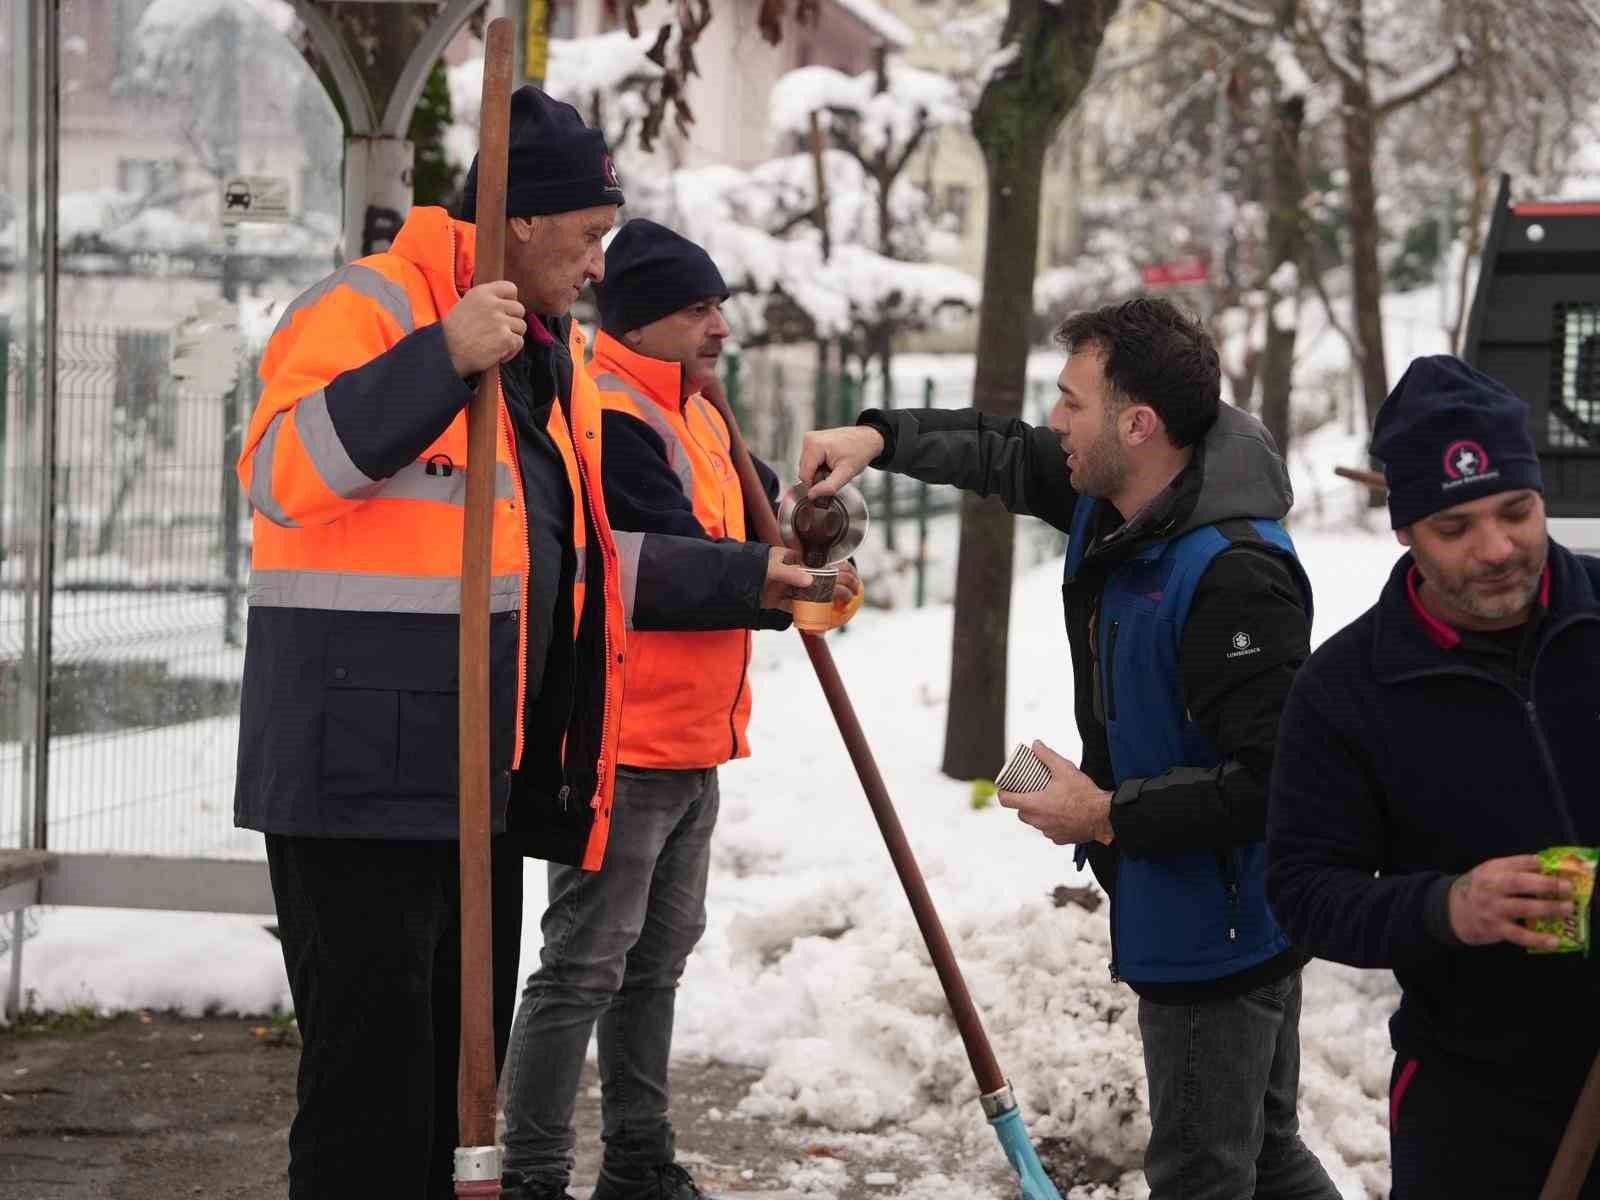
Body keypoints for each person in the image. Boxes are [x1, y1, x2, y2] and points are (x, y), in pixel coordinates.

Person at [234, 88, 808, 1200]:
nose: (601, 263)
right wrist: (437, 357)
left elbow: (585, 556)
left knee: (460, 1092)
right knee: (372, 1094)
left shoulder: (550, 357)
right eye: (589, 237)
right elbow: (279, 473)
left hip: (472, 777)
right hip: (353, 777)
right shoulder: (370, 307)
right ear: (523, 220)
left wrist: (753, 568)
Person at [797, 298, 1337, 1200]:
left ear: (1139, 423)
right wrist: (876, 439)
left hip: (1221, 930)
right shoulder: (1123, 497)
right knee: (1267, 1156)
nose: (1056, 423)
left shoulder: (1235, 574)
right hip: (1193, 907)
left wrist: (1105, 813)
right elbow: (1001, 451)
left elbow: (1279, 783)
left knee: (1202, 1173)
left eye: (1072, 403)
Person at [499, 218, 861, 1200]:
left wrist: (812, 527)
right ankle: (531, 1176)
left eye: (720, 309)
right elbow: (638, 568)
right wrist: (769, 580)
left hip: (691, 740)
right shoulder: (606, 411)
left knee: (653, 965)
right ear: (648, 315)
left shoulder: (698, 408)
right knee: (580, 970)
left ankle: (637, 1160)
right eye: (699, 310)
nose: (719, 330)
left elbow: (755, 526)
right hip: (622, 739)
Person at [1267, 355, 1600, 1198]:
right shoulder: (1347, 689)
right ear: (1406, 529)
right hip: (1477, 1105)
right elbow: (1305, 892)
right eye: (1455, 528)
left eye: (1515, 511)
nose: (1497, 549)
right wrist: (1450, 906)